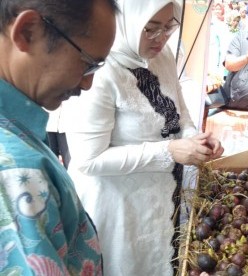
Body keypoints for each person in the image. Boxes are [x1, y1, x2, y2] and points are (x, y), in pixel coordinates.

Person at [64, 1, 224, 275]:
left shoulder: (163, 57)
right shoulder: (101, 70)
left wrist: (194, 139)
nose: (161, 38)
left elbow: (180, 113)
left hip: (162, 200)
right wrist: (169, 151)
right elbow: (87, 160)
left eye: (168, 27)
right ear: (127, 19)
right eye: (150, 29)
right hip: (118, 209)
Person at [0, 0, 117, 274]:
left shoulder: (19, 136)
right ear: (28, 31)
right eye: (88, 63)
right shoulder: (16, 171)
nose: (88, 83)